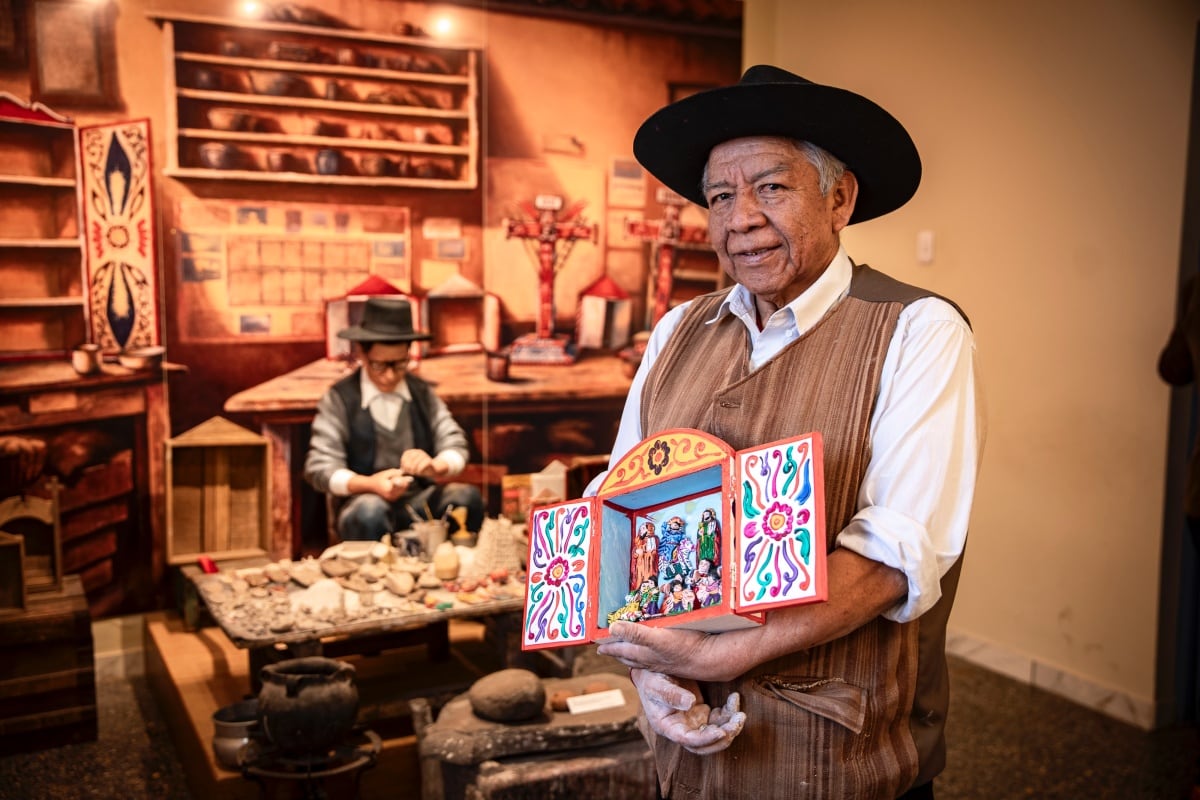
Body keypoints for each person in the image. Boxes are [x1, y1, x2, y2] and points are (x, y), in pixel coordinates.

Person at [590, 65, 986, 800]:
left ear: (840, 199)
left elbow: (892, 555)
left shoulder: (917, 330)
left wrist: (714, 659)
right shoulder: (678, 330)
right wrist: (650, 668)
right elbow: (616, 520)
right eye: (719, 196)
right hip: (690, 757)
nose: (739, 218)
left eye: (770, 187)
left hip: (842, 751)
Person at [304, 296, 484, 542]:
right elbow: (320, 468)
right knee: (369, 512)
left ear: (409, 353)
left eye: (400, 364)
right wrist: (370, 484)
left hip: (418, 503)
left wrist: (434, 466)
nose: (390, 376)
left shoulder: (421, 393)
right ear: (362, 355)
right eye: (380, 366)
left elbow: (455, 443)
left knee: (466, 498)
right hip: (364, 503)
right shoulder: (341, 399)